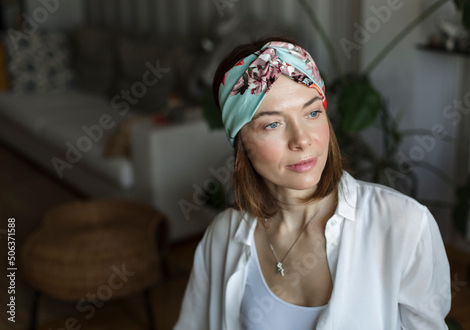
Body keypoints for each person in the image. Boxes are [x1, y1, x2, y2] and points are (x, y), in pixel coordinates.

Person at [174, 36, 451, 330]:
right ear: (241, 143)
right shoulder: (223, 237)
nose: (302, 139)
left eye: (313, 112)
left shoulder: (405, 225)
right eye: (272, 124)